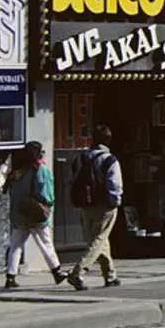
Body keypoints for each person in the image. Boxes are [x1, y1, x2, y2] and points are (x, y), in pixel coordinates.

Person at [65, 124, 124, 290]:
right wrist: (115, 201)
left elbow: (72, 180)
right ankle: (78, 272)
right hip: (105, 206)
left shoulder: (82, 157)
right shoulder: (110, 160)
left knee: (98, 239)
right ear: (109, 141)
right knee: (98, 240)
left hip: (86, 205)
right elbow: (115, 184)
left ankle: (110, 275)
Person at [2, 142, 68, 289]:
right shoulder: (39, 169)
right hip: (34, 213)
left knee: (16, 245)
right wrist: (48, 204)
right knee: (45, 243)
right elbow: (45, 194)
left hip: (19, 214)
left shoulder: (17, 171)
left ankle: (10, 276)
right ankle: (57, 271)